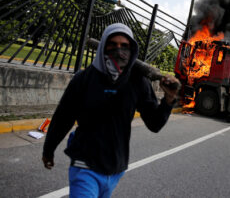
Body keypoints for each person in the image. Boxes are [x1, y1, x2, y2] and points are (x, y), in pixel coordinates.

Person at [42, 23, 180, 198]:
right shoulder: (83, 80)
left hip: (115, 168)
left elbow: (154, 123)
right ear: (103, 48)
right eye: (112, 45)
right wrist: (48, 150)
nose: (118, 50)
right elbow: (63, 118)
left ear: (132, 50)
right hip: (85, 163)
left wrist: (168, 100)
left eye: (124, 46)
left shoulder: (137, 82)